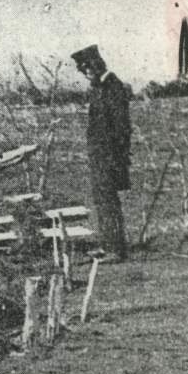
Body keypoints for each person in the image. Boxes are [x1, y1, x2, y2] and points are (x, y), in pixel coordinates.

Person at [70, 44, 131, 261]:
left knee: (109, 201)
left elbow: (121, 128)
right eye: (82, 69)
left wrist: (115, 158)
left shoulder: (113, 87)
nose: (86, 72)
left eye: (88, 67)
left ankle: (115, 249)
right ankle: (107, 246)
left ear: (98, 63)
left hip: (110, 157)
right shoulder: (99, 88)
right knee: (102, 200)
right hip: (99, 157)